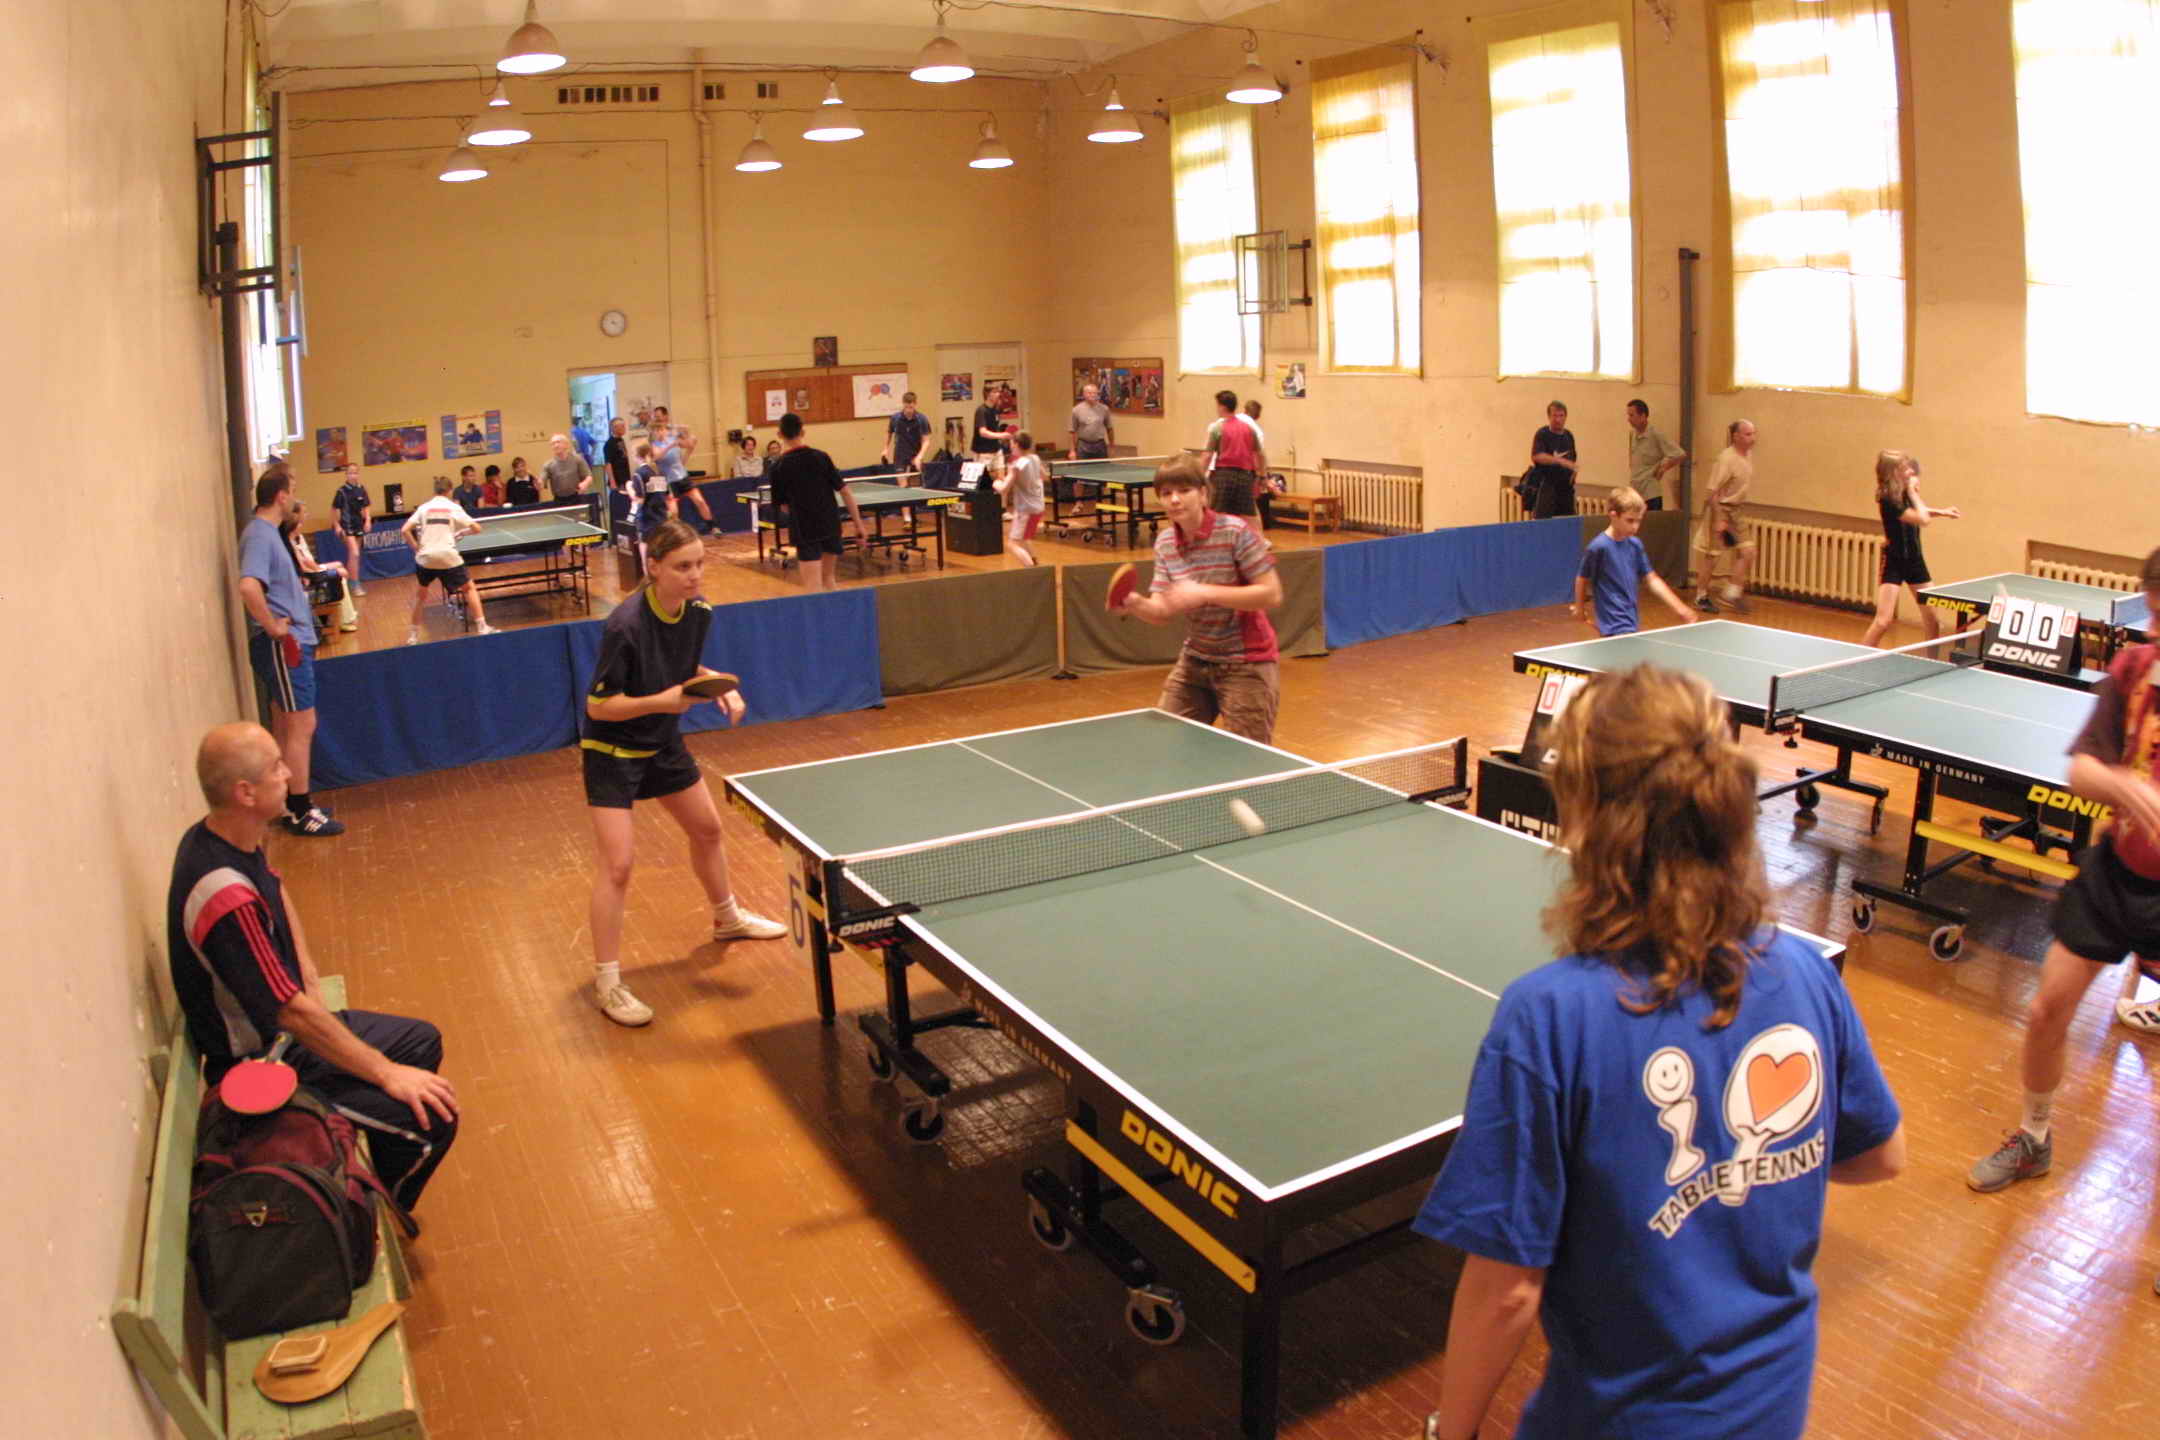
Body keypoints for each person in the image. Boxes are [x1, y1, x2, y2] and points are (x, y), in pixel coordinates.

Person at [1413, 665, 1906, 1440]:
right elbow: (1879, 1156)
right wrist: (1741, 1176)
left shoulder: (1549, 1017)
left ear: (1584, 817)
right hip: (1773, 1404)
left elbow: (1508, 1290)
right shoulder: (1806, 972)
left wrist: (1452, 1432)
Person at [169, 722, 460, 1204]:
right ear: (245, 792)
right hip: (262, 1063)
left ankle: (359, 1162)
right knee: (433, 1120)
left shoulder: (226, 835)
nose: (288, 773)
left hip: (289, 1032)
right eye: (275, 768)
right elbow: (289, 1013)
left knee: (421, 1041)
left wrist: (306, 974)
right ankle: (370, 1206)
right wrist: (385, 1072)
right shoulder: (224, 896)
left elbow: (275, 886)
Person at [1967, 548, 2160, 1259]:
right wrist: (2126, 787)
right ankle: (2035, 1138)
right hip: (2116, 874)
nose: (2158, 632)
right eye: (2157, 615)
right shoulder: (2133, 671)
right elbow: (2081, 770)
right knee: (2049, 1007)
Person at [581, 519, 787, 1026]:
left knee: (708, 830)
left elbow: (681, 665)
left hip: (661, 740)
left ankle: (727, 919)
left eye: (699, 564)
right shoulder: (625, 625)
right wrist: (665, 701)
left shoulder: (698, 612)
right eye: (682, 567)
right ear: (653, 567)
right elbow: (599, 705)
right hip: (612, 749)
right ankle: (608, 984)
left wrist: (716, 683)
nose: (695, 575)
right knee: (618, 865)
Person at [1112, 458, 1283, 743]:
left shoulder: (1236, 532)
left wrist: (1204, 592)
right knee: (1166, 742)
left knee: (1244, 758)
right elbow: (1161, 611)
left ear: (1203, 494)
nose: (1174, 499)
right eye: (1166, 493)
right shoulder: (1165, 543)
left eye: (1184, 490)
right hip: (1196, 659)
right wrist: (1133, 603)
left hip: (1246, 664)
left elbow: (1272, 593)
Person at [237, 465, 344, 838]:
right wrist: (273, 627)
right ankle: (300, 810)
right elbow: (249, 586)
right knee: (301, 724)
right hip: (283, 645)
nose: (295, 498)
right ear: (281, 496)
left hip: (291, 642)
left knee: (287, 725)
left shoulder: (268, 534)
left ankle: (285, 801)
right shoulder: (259, 535)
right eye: (293, 491)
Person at [1860, 452, 1962, 647]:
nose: (1910, 471)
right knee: (1883, 621)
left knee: (1932, 619)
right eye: (1904, 468)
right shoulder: (1886, 498)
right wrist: (1914, 493)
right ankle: (1858, 659)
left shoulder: (1902, 491)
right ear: (1893, 472)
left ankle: (1931, 660)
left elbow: (1918, 511)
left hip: (1915, 561)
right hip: (1894, 561)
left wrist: (1941, 512)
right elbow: (1922, 519)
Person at [766, 412, 869, 592]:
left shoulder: (778, 467)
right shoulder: (821, 457)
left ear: (780, 435)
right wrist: (858, 524)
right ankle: (837, 611)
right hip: (830, 525)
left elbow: (783, 507)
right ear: (802, 431)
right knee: (828, 579)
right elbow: (845, 491)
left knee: (813, 587)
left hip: (804, 530)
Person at [1574, 487, 1698, 637]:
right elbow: (1582, 578)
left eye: (1638, 521)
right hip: (1614, 623)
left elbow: (1652, 580)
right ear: (1613, 516)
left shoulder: (1635, 545)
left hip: (1630, 619)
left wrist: (1679, 607)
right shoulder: (1598, 547)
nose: (1635, 527)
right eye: (1630, 520)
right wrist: (1580, 608)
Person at [398, 475, 499, 644]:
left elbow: (404, 530)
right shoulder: (453, 507)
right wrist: (462, 532)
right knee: (469, 589)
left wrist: (416, 547)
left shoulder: (424, 508)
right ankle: (482, 627)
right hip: (447, 555)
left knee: (421, 595)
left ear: (435, 490)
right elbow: (477, 528)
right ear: (450, 490)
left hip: (426, 557)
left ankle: (413, 636)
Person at [1693, 419, 1760, 613]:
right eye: (1748, 434)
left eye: (1753, 434)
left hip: (1736, 511)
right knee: (1713, 557)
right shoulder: (1726, 459)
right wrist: (1719, 518)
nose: (1753, 438)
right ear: (1736, 436)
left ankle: (1731, 594)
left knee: (1748, 552)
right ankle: (1701, 596)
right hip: (1719, 509)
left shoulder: (1748, 455)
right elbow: (1711, 492)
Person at [282, 501, 358, 635]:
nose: (306, 515)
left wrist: (318, 568)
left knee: (339, 566)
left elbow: (308, 561)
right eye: (304, 512)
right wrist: (319, 570)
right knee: (340, 574)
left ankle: (346, 616)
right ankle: (344, 619)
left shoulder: (298, 537)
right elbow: (303, 565)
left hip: (313, 570)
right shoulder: (289, 541)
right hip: (310, 575)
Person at [1202, 389, 1267, 519]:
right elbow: (1260, 455)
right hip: (1245, 476)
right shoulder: (1249, 429)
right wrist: (1262, 476)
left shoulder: (1217, 428)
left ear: (1222, 406)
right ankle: (1254, 534)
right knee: (1247, 516)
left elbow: (1207, 455)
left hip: (1223, 476)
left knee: (1218, 515)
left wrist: (1199, 476)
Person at [993, 431, 1045, 567]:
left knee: (1012, 544)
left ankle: (1033, 571)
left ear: (1016, 444)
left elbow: (1004, 489)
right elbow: (1044, 476)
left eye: (1011, 443)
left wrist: (995, 483)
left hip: (1025, 510)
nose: (1010, 446)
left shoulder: (1016, 465)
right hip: (1038, 508)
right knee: (1025, 537)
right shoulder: (1035, 458)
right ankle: (1034, 562)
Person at [651, 416, 712, 530]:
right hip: (668, 481)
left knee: (700, 501)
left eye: (661, 429)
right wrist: (670, 446)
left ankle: (712, 526)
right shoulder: (654, 445)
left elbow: (691, 443)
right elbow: (657, 456)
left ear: (665, 430)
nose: (659, 432)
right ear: (653, 432)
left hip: (682, 477)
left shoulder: (672, 438)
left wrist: (685, 432)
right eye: (657, 430)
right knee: (673, 512)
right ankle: (674, 532)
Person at [1625, 399, 1686, 511]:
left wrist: (1663, 467)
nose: (1628, 419)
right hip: (1635, 492)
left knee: (1652, 522)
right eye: (1628, 415)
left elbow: (1679, 454)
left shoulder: (1656, 434)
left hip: (1651, 494)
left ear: (1643, 416)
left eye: (1632, 415)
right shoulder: (1632, 434)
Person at [1529, 400, 1579, 520]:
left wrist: (1574, 472)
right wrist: (1559, 461)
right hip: (1547, 487)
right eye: (1555, 416)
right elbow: (1537, 456)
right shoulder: (1542, 434)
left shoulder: (1568, 436)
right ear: (1549, 417)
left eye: (1561, 416)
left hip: (1566, 489)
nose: (1558, 419)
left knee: (1568, 522)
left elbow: (1572, 458)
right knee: (1543, 523)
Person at [1243, 399, 1285, 529]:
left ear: (1244, 410)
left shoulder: (1227, 423)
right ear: (1258, 416)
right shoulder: (1256, 431)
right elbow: (1258, 455)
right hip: (1247, 471)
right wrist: (1262, 477)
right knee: (1252, 506)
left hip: (1226, 470)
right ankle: (1258, 533)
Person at [332, 463, 371, 596]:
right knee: (354, 553)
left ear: (358, 474)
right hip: (346, 526)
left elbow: (366, 506)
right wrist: (337, 525)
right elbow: (334, 509)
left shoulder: (361, 489)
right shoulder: (341, 491)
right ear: (346, 474)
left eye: (355, 472)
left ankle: (350, 582)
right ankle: (355, 584)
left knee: (354, 555)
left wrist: (368, 520)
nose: (353, 475)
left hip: (358, 525)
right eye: (350, 473)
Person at [883, 392, 933, 478]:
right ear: (903, 404)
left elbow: (926, 441)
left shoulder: (922, 419)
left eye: (911, 407)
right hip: (900, 456)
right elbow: (889, 433)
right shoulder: (895, 418)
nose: (908, 410)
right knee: (902, 484)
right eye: (906, 407)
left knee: (915, 484)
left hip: (915, 454)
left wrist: (919, 456)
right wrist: (885, 449)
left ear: (915, 404)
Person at [541, 432, 593, 502]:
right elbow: (542, 481)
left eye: (558, 442)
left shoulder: (577, 459)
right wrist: (539, 484)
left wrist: (585, 483)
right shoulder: (548, 465)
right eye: (553, 444)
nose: (556, 445)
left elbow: (589, 477)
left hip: (577, 497)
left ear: (566, 444)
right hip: (559, 500)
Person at [1069, 382, 1114, 460]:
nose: (1092, 395)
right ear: (1084, 394)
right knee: (1082, 468)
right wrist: (1072, 451)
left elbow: (1110, 429)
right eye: (1089, 393)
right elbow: (1072, 431)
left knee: (1102, 467)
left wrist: (1112, 447)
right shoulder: (1076, 410)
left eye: (1095, 393)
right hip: (1083, 445)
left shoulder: (1104, 409)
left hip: (1100, 445)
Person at [972, 390, 1010, 474]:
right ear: (988, 394)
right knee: (984, 479)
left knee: (1001, 477)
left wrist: (1003, 437)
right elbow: (983, 432)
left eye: (998, 392)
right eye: (995, 392)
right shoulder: (981, 411)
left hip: (996, 449)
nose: (998, 394)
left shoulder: (996, 410)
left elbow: (994, 428)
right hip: (983, 451)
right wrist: (1001, 435)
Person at [603, 416, 633, 495]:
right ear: (614, 428)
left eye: (624, 426)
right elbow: (608, 463)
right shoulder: (609, 444)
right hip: (618, 480)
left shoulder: (621, 440)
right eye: (622, 426)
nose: (624, 428)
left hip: (625, 478)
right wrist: (612, 482)